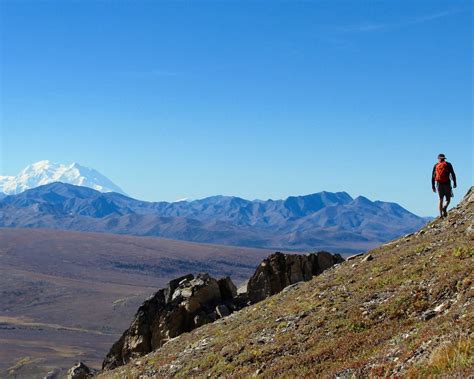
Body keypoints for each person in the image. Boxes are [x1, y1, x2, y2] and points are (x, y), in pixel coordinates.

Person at [432, 153, 457, 218]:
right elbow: (453, 174)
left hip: (439, 183)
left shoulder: (436, 165)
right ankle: (444, 207)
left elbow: (432, 176)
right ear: (444, 158)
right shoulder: (448, 164)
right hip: (447, 183)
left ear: (438, 159)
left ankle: (440, 215)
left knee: (440, 199)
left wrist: (433, 186)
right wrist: (454, 182)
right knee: (448, 199)